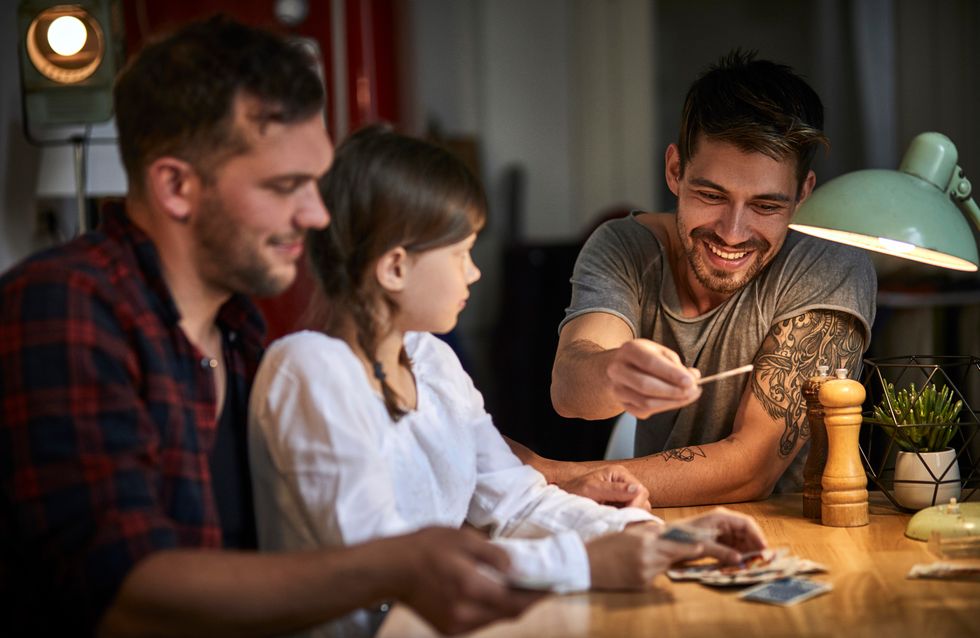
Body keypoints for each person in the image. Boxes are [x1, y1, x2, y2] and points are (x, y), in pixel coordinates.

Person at [0, 17, 542, 637]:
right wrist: (395, 566)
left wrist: (557, 481)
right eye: (287, 186)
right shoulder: (66, 306)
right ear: (176, 185)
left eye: (316, 183)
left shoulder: (239, 332)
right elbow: (125, 592)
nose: (314, 215)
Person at [248, 125, 769, 638]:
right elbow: (391, 571)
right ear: (395, 268)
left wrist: (657, 537)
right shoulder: (310, 371)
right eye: (460, 254)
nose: (473, 273)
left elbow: (517, 503)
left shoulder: (431, 362)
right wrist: (587, 562)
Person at [512, 49, 876, 506]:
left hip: (797, 539)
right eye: (711, 194)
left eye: (766, 205)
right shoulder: (624, 247)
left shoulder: (831, 267)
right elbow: (570, 393)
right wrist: (613, 371)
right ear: (674, 170)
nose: (732, 232)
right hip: (660, 532)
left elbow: (750, 471)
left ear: (803, 193)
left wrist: (550, 476)